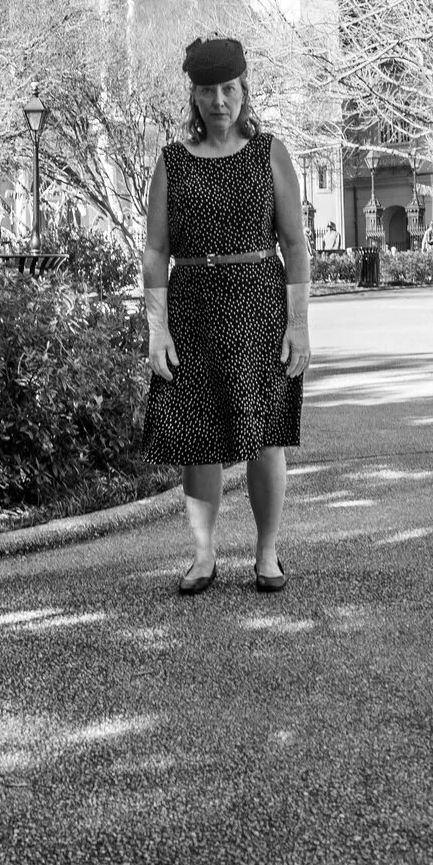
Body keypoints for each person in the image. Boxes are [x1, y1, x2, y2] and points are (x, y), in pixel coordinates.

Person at [142, 37, 312, 595]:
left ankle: (267, 555)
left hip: (259, 306)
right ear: (193, 96)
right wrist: (156, 328)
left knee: (265, 435)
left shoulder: (271, 154)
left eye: (229, 89)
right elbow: (155, 251)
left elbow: (295, 244)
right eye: (208, 91)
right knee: (198, 438)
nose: (220, 101)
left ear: (244, 90)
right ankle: (203, 554)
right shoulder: (171, 162)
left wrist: (299, 324)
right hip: (192, 307)